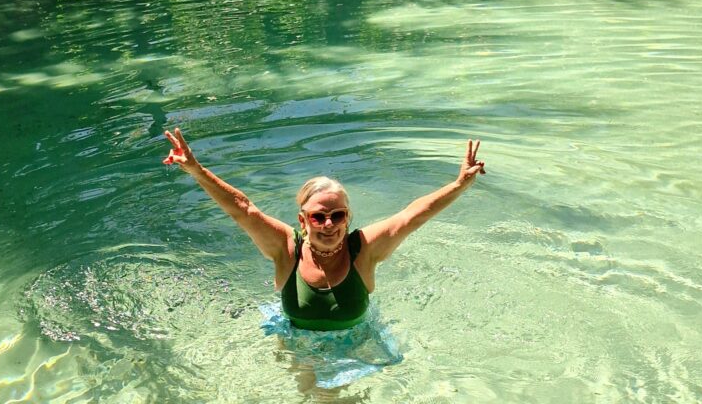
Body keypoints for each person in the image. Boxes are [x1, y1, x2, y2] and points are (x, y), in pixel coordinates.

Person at [162, 128, 485, 331]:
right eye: (318, 217)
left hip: (357, 346)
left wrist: (459, 185)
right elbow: (243, 210)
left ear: (348, 217)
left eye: (337, 215)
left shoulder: (365, 249)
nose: (328, 224)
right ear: (302, 221)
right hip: (297, 347)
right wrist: (195, 169)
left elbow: (412, 216)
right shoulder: (286, 249)